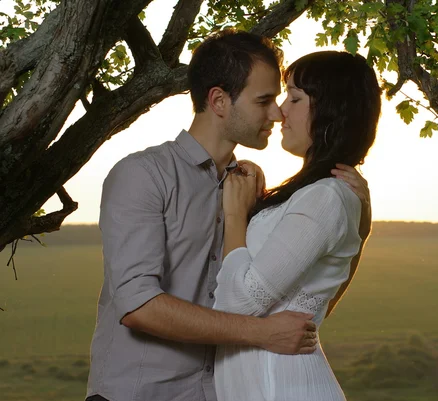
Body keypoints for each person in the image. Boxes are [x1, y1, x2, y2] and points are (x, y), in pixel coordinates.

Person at [85, 30, 321, 401]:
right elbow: (139, 306)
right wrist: (260, 333)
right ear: (219, 100)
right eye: (264, 100)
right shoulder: (142, 175)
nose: (277, 113)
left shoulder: (247, 182)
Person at [213, 50, 381, 400]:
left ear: (332, 108)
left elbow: (239, 303)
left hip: (283, 388)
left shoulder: (327, 196)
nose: (279, 111)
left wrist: (235, 217)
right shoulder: (313, 195)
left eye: (294, 98)